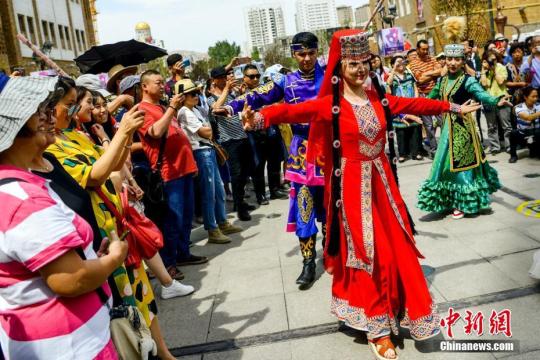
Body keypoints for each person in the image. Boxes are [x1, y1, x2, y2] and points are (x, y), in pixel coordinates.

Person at [242, 29, 480, 360]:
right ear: (340, 68)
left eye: (364, 62)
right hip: (352, 186)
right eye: (352, 64)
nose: (360, 69)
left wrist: (453, 107)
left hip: (383, 185)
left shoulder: (379, 100)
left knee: (399, 245)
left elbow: (415, 103)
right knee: (369, 252)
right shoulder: (332, 106)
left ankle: (400, 307)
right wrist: (259, 117)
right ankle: (377, 328)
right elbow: (292, 112)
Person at [0, 74, 122, 359]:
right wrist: (112, 258)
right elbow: (72, 278)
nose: (47, 116)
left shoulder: (23, 184)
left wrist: (89, 256)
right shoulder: (22, 198)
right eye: (38, 111)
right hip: (70, 349)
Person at [226, 32, 327, 288]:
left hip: (329, 151)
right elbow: (257, 95)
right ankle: (308, 262)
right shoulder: (286, 81)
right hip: (302, 154)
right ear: (293, 54)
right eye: (301, 54)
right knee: (304, 208)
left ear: (317, 52)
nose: (306, 58)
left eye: (311, 53)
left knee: (332, 207)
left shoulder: (330, 77)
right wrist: (232, 106)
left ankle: (332, 251)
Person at [418, 18, 510, 220]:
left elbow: (482, 94)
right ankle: (450, 200)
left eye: (457, 59)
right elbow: (430, 100)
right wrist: (412, 104)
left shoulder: (467, 81)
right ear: (445, 60)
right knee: (443, 165)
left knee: (461, 167)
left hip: (463, 131)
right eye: (449, 59)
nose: (452, 63)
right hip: (446, 132)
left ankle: (463, 201)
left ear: (463, 61)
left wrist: (496, 100)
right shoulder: (441, 80)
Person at [138, 70, 208, 280]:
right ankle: (167, 263)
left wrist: (191, 163)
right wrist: (171, 109)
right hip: (168, 174)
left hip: (184, 169)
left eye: (162, 83)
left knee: (186, 216)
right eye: (158, 83)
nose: (163, 86)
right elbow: (156, 132)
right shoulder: (142, 110)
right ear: (145, 87)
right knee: (172, 220)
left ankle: (182, 253)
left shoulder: (162, 107)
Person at [176, 78, 243, 243]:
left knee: (219, 189)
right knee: (209, 192)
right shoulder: (184, 111)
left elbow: (210, 120)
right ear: (182, 97)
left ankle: (222, 222)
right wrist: (208, 130)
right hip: (200, 152)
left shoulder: (196, 109)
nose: (196, 96)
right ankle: (212, 229)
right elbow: (205, 132)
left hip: (208, 150)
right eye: (192, 94)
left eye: (197, 92)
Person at [207, 66, 256, 221]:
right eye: (221, 77)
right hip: (229, 141)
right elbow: (216, 108)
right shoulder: (211, 98)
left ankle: (240, 201)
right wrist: (227, 90)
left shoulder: (232, 93)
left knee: (245, 172)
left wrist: (241, 94)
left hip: (242, 135)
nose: (225, 79)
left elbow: (241, 108)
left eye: (226, 76)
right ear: (214, 80)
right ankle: (240, 207)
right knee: (236, 174)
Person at [241, 64, 287, 204]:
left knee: (274, 161)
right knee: (258, 165)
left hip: (271, 129)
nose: (255, 79)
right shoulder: (241, 94)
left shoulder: (264, 90)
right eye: (251, 76)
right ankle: (260, 194)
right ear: (244, 77)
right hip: (254, 134)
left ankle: (274, 189)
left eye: (257, 76)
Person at [386, 55, 424, 161]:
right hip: (400, 106)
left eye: (402, 61)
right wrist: (393, 69)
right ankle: (403, 154)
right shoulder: (391, 76)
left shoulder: (409, 74)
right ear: (393, 64)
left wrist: (416, 101)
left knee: (415, 129)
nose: (400, 64)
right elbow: (388, 85)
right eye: (397, 62)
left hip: (411, 104)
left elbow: (415, 87)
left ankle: (416, 153)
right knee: (401, 131)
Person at [409, 39, 443, 157]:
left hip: (436, 93)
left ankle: (446, 148)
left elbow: (441, 71)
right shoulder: (413, 63)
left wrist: (427, 73)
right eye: (423, 49)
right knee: (428, 126)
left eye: (427, 49)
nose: (425, 51)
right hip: (423, 95)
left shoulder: (432, 58)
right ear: (418, 49)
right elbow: (420, 79)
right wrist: (433, 72)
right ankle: (434, 150)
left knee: (442, 121)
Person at [480, 50, 512, 154]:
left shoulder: (501, 67)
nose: (492, 61)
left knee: (506, 125)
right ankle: (495, 147)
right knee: (491, 126)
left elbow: (501, 81)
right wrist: (483, 71)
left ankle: (509, 146)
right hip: (489, 100)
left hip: (502, 97)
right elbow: (484, 84)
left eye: (494, 59)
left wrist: (494, 69)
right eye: (490, 60)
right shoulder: (485, 70)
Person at [509, 86, 540, 163]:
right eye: (533, 96)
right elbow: (528, 118)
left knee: (538, 133)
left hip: (536, 133)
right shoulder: (519, 107)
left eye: (536, 96)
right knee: (513, 133)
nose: (535, 99)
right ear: (525, 97)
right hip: (523, 134)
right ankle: (513, 155)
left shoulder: (538, 105)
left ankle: (534, 150)